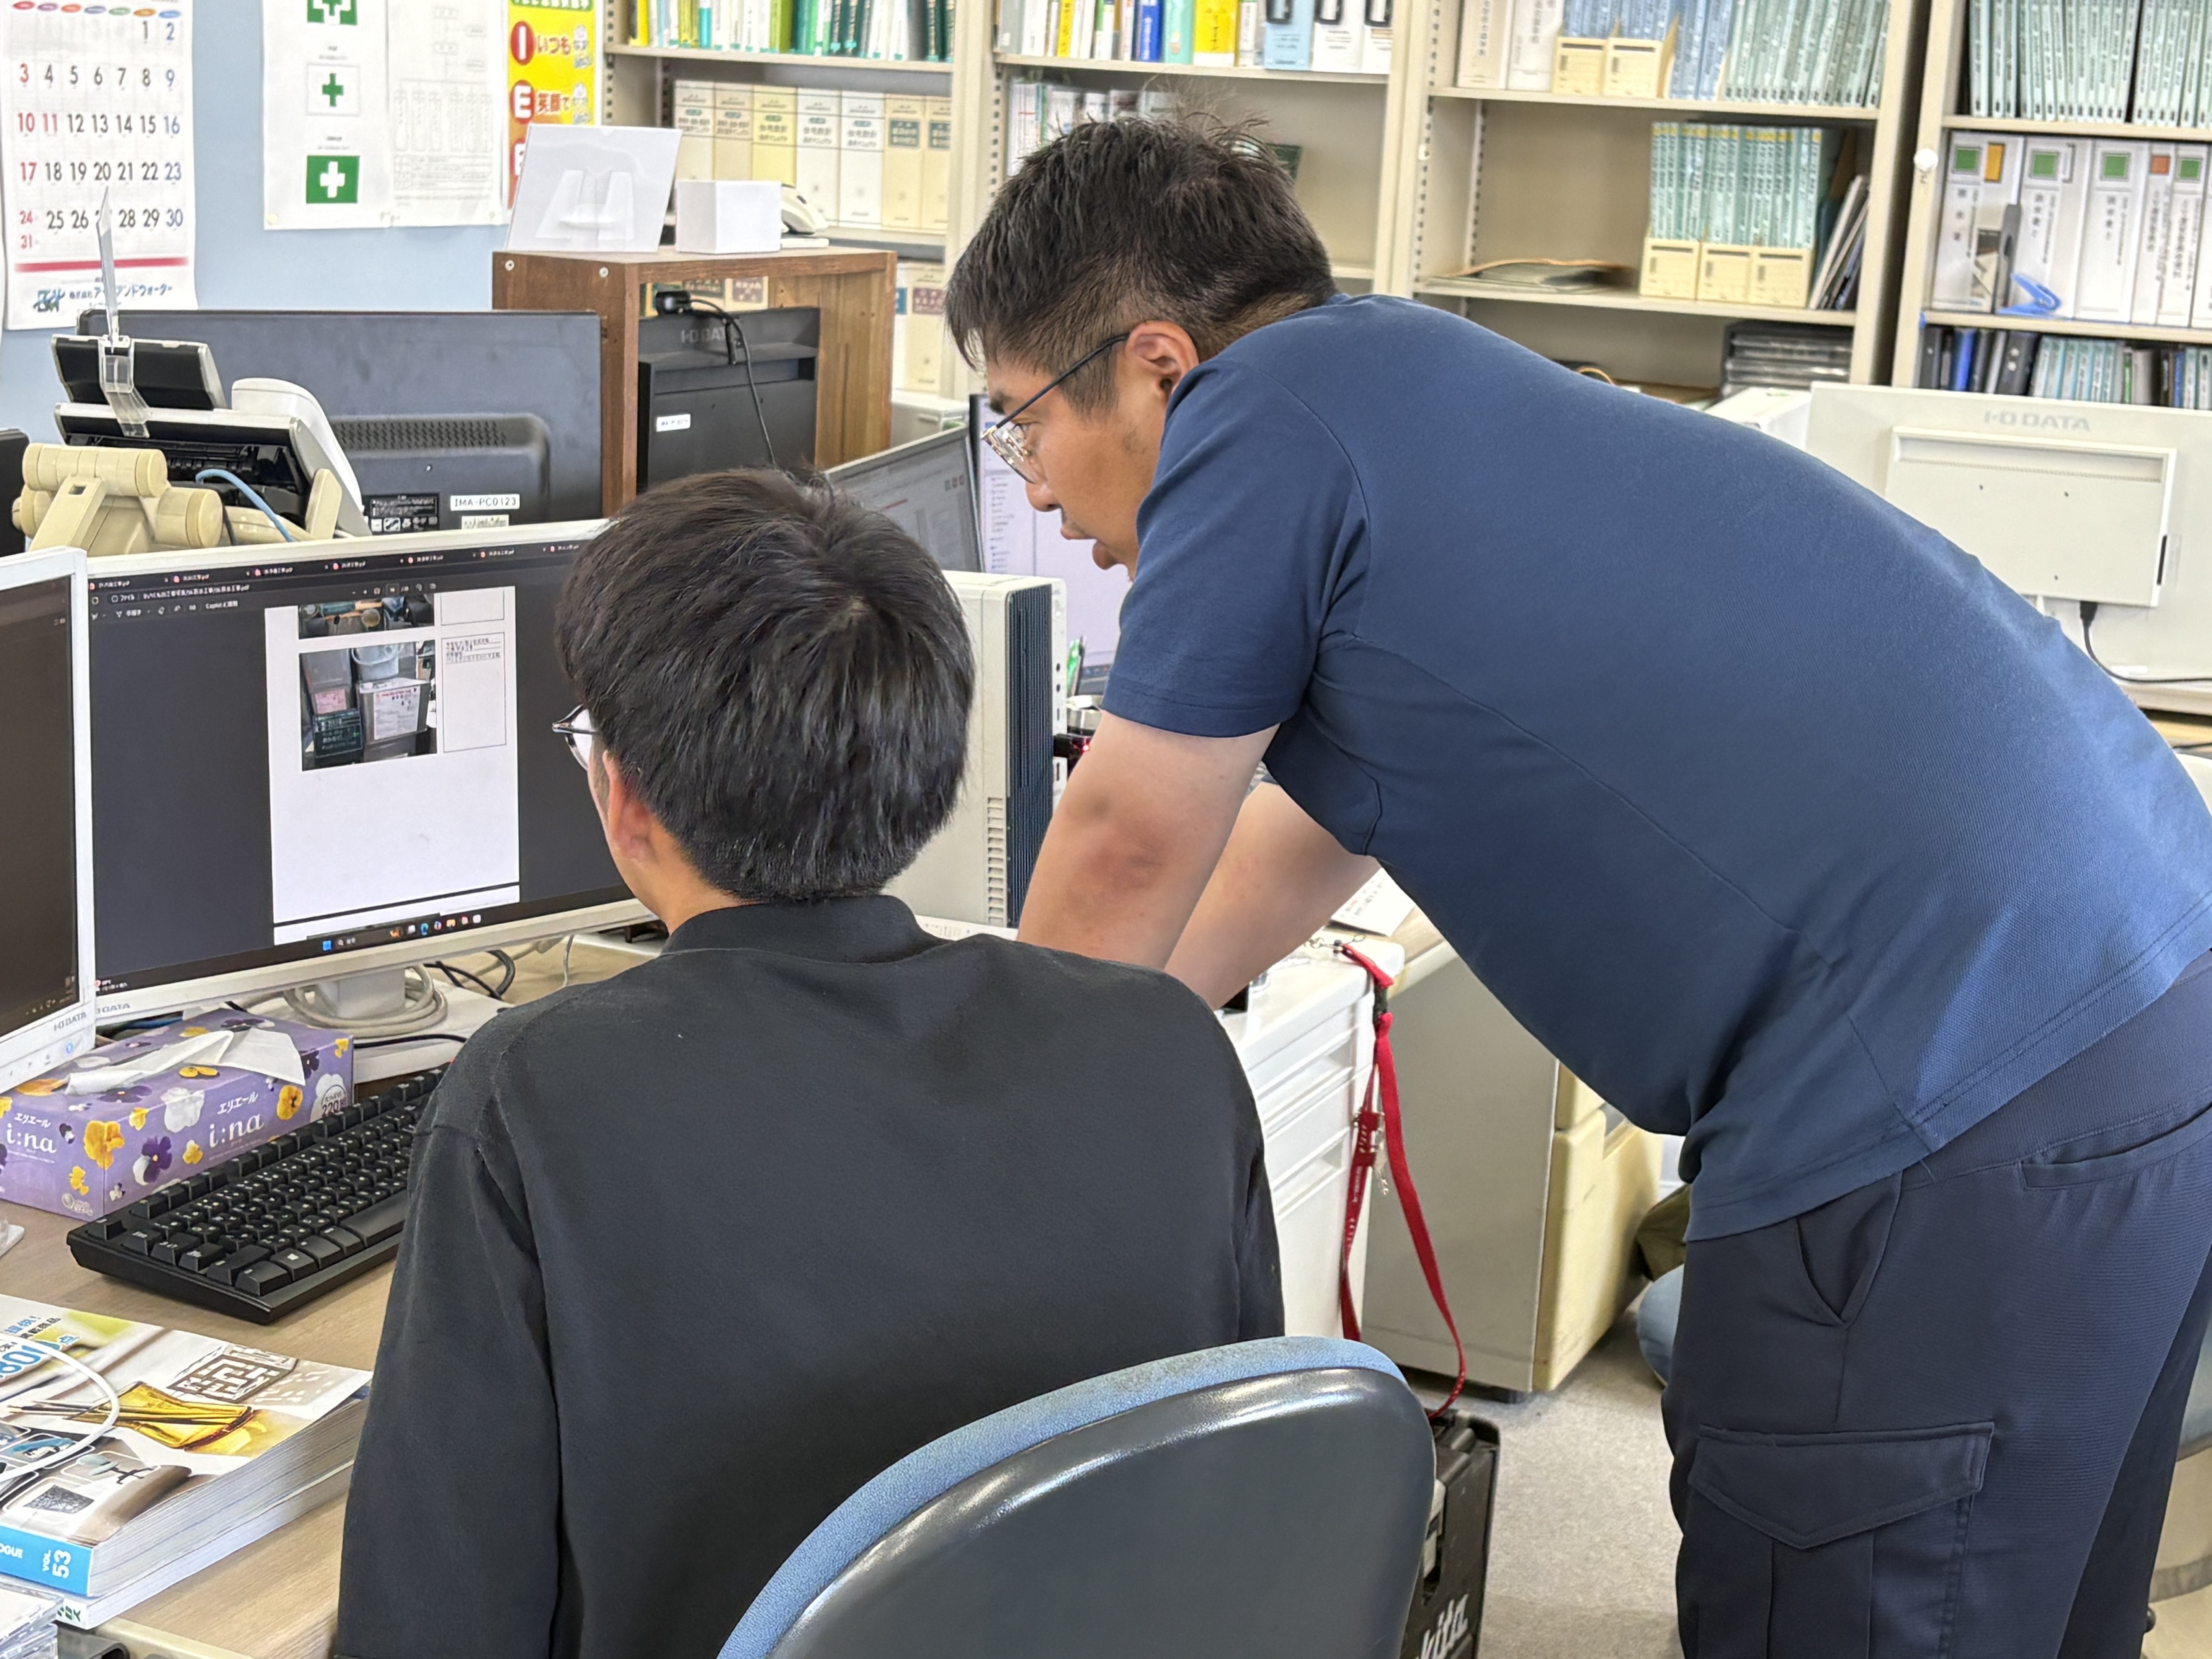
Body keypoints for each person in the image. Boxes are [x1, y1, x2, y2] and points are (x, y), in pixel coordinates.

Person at [944, 116, 2212, 1656]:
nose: (1033, 487)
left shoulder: (1253, 417)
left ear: (1156, 366)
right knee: (2032, 1605)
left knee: (1847, 1607)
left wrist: (984, 1131)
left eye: (1017, 421)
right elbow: (1313, 834)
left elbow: (1128, 840)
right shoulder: (1402, 374)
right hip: (2149, 990)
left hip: (1951, 1080)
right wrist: (1129, 1034)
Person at [333, 470, 1282, 1659]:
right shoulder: (1168, 1048)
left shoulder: (536, 1093)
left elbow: (430, 1625)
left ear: (625, 797)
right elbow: (1250, 1513)